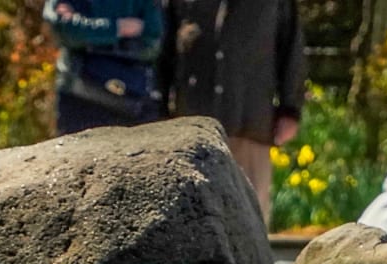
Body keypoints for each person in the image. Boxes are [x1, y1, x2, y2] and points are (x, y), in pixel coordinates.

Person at [160, 0, 305, 221]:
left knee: (250, 218)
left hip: (249, 120)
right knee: (191, 220)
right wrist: (160, 108)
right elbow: (165, 47)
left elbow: (291, 45)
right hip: (191, 124)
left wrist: (290, 109)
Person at [44, 0, 163, 137]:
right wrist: (119, 28)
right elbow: (67, 30)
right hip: (78, 96)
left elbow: (152, 42)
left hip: (131, 99)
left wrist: (91, 42)